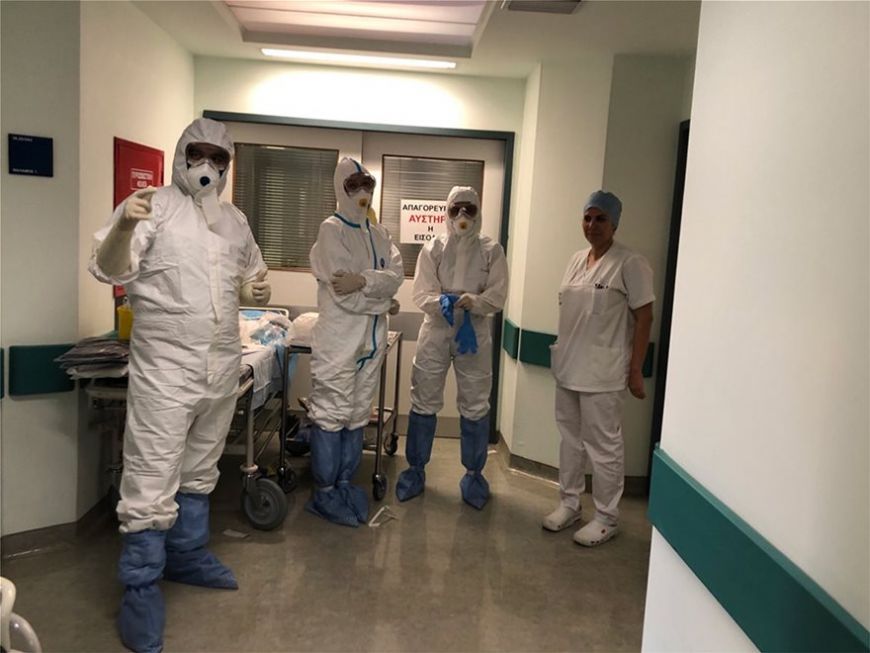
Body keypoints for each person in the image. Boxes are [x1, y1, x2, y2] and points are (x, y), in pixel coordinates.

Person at [90, 118, 271, 652]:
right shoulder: (153, 207)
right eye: (199, 154)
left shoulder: (233, 220)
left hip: (220, 365)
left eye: (219, 158)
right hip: (166, 371)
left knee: (200, 467)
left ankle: (187, 555)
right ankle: (141, 588)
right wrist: (123, 229)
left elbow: (250, 276)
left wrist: (255, 289)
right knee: (152, 473)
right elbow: (108, 269)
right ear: (181, 155)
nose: (207, 166)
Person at [542, 190, 654, 546]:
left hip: (604, 373)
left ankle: (606, 517)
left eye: (601, 219)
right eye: (588, 218)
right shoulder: (576, 259)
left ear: (614, 223)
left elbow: (645, 317)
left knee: (603, 447)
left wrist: (635, 370)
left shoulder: (630, 263)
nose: (592, 225)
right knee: (570, 442)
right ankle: (570, 503)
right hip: (568, 367)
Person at [396, 186, 508, 509]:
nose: (462, 215)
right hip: (437, 329)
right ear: (446, 211)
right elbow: (420, 293)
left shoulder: (492, 250)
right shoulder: (433, 247)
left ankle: (474, 475)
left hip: (474, 331)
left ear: (478, 212)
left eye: (469, 209)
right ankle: (415, 470)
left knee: (475, 402)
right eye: (456, 209)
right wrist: (441, 302)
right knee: (424, 398)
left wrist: (477, 302)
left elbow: (498, 295)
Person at [306, 157, 403, 527]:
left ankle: (344, 483)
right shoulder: (331, 230)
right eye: (353, 185)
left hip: (371, 343)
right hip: (339, 341)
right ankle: (324, 492)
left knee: (358, 413)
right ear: (340, 188)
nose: (363, 192)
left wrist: (364, 281)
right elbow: (343, 296)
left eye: (368, 184)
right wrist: (383, 300)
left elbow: (396, 277)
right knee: (331, 414)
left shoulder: (379, 234)